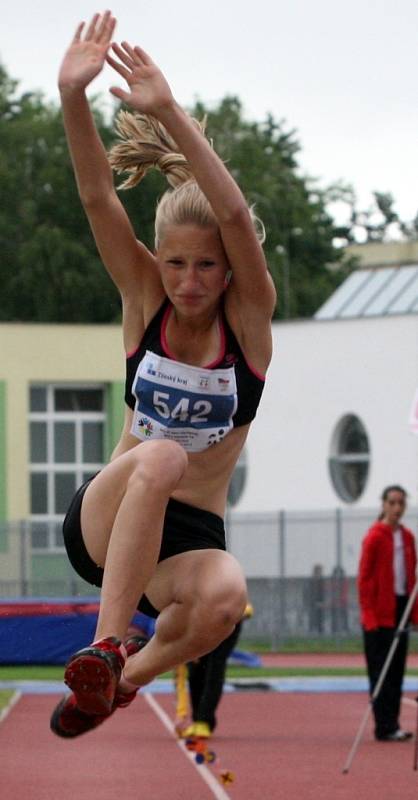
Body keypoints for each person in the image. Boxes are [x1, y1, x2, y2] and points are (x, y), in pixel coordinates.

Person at [50, 11, 276, 738]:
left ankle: (114, 687)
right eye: (175, 263)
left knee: (226, 593)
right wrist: (73, 98)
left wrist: (170, 110)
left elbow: (236, 215)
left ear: (229, 269)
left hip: (184, 540)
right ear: (158, 260)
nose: (188, 281)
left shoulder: (249, 329)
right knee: (163, 454)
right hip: (107, 515)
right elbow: (96, 199)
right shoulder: (145, 299)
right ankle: (109, 640)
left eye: (206, 265)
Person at [358, 485, 418, 742]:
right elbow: (364, 579)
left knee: (396, 670)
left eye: (401, 503)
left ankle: (392, 723)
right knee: (380, 671)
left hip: (400, 608)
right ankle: (383, 725)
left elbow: (411, 577)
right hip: (379, 613)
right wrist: (369, 616)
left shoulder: (407, 538)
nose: (396, 508)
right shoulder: (374, 537)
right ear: (383, 505)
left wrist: (414, 615)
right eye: (392, 503)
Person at [174, 602, 254, 739]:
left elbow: (243, 606)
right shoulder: (182, 619)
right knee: (194, 670)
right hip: (203, 624)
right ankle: (198, 719)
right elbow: (180, 674)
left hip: (227, 620)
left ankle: (204, 721)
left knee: (214, 667)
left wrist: (240, 610)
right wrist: (181, 714)